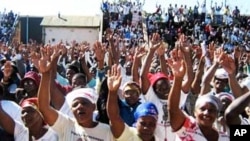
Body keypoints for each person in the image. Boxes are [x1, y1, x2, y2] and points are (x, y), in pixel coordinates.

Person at [36, 46, 114, 141]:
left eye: (84, 103)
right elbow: (44, 108)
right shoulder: (66, 125)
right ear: (71, 110)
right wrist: (45, 74)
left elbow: (101, 87)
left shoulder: (107, 130)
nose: (80, 106)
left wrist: (101, 62)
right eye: (75, 104)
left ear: (94, 107)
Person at [167, 48, 229, 140]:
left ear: (216, 114)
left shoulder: (224, 137)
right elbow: (173, 110)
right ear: (195, 112)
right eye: (202, 109)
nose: (206, 113)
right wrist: (178, 78)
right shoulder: (187, 128)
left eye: (211, 110)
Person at [107, 64, 160, 141]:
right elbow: (114, 117)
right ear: (136, 121)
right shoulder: (128, 135)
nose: (146, 128)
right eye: (143, 123)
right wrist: (112, 92)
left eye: (151, 124)